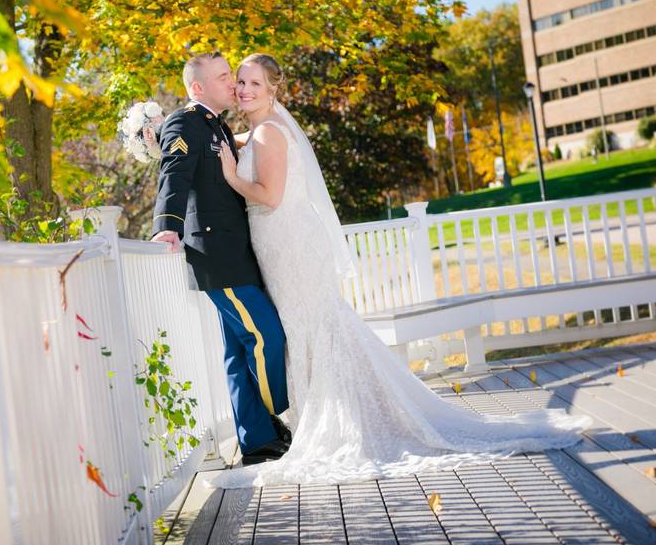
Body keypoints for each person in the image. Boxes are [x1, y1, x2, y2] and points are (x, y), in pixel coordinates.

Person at [209, 53, 590, 487]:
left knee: (313, 329)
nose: (244, 90)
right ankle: (341, 414)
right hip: (282, 245)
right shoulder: (261, 130)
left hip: (290, 245)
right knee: (309, 330)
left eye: (254, 83)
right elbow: (243, 144)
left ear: (274, 88)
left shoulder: (269, 133)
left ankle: (349, 421)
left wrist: (229, 173)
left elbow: (268, 196)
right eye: (240, 82)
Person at [151, 52, 291, 465]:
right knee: (266, 336)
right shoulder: (185, 122)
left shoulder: (217, 125)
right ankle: (282, 410)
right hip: (215, 255)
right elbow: (173, 172)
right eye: (224, 76)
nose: (233, 82)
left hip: (236, 252)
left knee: (236, 349)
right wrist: (167, 224)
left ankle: (257, 440)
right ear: (198, 88)